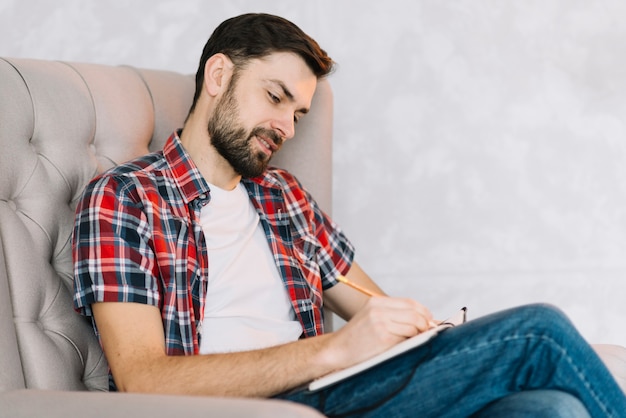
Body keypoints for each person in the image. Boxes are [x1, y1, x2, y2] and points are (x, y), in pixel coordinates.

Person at [72, 13, 626, 417]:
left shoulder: (283, 197)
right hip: (255, 406)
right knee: (542, 333)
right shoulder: (126, 199)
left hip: (341, 393)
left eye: (298, 112)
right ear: (218, 76)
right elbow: (144, 378)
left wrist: (421, 330)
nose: (286, 128)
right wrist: (334, 349)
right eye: (275, 96)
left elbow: (376, 311)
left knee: (550, 409)